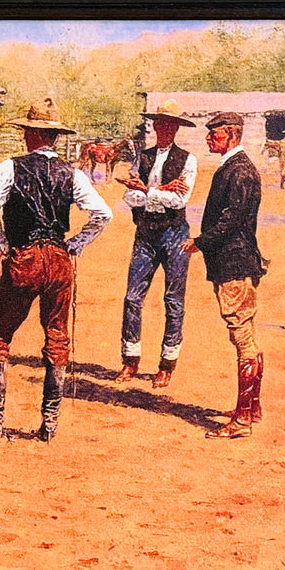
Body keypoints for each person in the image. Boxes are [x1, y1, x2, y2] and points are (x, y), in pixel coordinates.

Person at [0, 97, 112, 442]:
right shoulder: (72, 173)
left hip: (25, 259)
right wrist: (74, 245)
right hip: (59, 260)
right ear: (55, 138)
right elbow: (103, 214)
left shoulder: (10, 168)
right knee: (57, 338)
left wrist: (3, 246)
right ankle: (49, 426)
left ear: (30, 134)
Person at [182, 112, 267, 439]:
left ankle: (243, 420)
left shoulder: (240, 171)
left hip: (235, 263)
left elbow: (230, 221)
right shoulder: (234, 168)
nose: (208, 139)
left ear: (231, 136)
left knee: (242, 337)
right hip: (234, 261)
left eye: (214, 135)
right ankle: (252, 408)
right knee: (246, 335)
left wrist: (199, 242)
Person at [113, 99, 198, 388]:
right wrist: (159, 189)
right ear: (155, 125)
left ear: (176, 128)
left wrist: (147, 189)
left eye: (170, 124)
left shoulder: (188, 159)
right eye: (160, 123)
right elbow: (129, 198)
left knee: (173, 300)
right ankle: (130, 360)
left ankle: (167, 364)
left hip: (174, 234)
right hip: (145, 233)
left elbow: (180, 200)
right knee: (132, 298)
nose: (164, 128)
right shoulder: (144, 157)